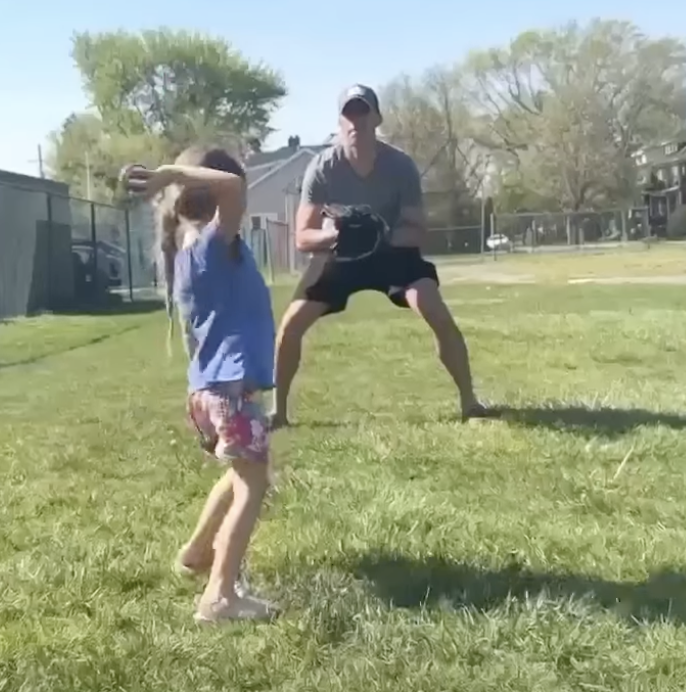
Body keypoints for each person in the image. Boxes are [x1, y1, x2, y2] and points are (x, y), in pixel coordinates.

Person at [270, 84, 493, 428]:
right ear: (341, 121)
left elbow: (418, 231)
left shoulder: (400, 166)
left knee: (434, 309)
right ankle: (279, 414)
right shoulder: (323, 167)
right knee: (290, 325)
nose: (356, 121)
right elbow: (302, 236)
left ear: (376, 118)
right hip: (341, 256)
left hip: (391, 254)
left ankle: (470, 402)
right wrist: (335, 236)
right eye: (349, 113)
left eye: (363, 112)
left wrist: (381, 234)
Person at [122, 147, 277, 624]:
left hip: (210, 393)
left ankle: (195, 553)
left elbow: (228, 189)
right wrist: (171, 173)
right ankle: (220, 595)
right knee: (253, 484)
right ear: (215, 192)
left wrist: (175, 178)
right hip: (229, 392)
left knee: (238, 474)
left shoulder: (186, 248)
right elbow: (232, 188)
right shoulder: (213, 242)